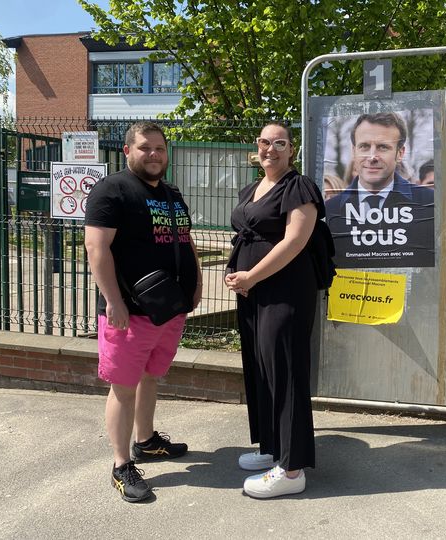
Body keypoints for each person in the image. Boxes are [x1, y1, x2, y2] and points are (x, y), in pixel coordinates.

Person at [84, 121, 202, 503]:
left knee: (152, 376)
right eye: (145, 148)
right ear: (127, 151)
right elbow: (96, 249)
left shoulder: (171, 193)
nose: (154, 155)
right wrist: (114, 301)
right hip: (130, 312)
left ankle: (146, 441)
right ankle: (121, 466)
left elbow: (186, 240)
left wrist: (197, 282)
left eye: (160, 149)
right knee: (123, 388)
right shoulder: (112, 190)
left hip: (169, 308)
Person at [224, 121, 322, 499]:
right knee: (262, 368)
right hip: (253, 290)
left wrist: (251, 275)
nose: (271, 149)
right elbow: (245, 234)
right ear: (257, 147)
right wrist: (237, 273)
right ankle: (273, 448)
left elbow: (296, 240)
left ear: (291, 150)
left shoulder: (299, 187)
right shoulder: (253, 188)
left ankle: (292, 469)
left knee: (286, 370)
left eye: (280, 143)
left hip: (285, 291)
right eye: (265, 142)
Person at [325, 112, 434, 268]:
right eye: (364, 146)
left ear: (400, 153)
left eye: (383, 147)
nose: (372, 156)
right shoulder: (329, 211)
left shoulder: (430, 205)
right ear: (354, 151)